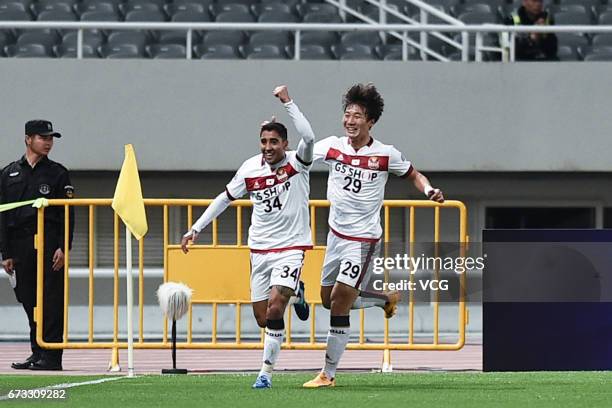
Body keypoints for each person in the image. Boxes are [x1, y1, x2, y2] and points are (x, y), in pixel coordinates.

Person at [303, 83, 445, 388]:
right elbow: (298, 157)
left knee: (340, 303)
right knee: (327, 300)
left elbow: (414, 175)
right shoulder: (331, 146)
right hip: (336, 236)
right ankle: (384, 299)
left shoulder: (385, 154)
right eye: (347, 114)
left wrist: (429, 190)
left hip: (363, 240)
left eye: (358, 115)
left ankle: (327, 374)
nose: (350, 120)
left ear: (371, 121)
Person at [181, 85, 315, 389]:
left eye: (274, 142)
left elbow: (309, 137)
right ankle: (298, 290)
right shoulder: (249, 168)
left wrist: (288, 103)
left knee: (275, 307)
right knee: (262, 319)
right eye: (264, 141)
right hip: (259, 249)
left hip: (292, 246)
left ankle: (265, 373)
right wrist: (195, 228)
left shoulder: (298, 162)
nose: (268, 147)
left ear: (285, 144)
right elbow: (224, 198)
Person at [0, 120, 75, 371]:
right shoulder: (9, 173)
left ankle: (52, 357)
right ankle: (37, 351)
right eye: (43, 138)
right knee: (29, 300)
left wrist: (63, 247)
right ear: (28, 139)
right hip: (20, 247)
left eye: (51, 138)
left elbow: (67, 215)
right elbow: (3, 215)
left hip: (49, 244)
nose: (48, 142)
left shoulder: (57, 173)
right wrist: (6, 252)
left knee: (51, 301)